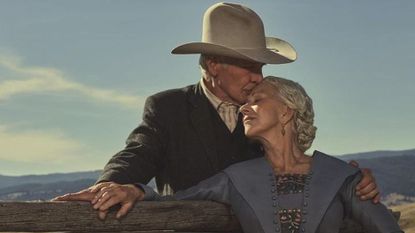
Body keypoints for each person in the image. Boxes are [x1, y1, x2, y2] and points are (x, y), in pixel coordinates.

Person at [53, 2, 380, 220]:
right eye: (249, 66)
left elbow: (299, 166)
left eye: (260, 67)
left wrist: (351, 179)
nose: (258, 77)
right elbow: (137, 154)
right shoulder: (168, 108)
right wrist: (112, 184)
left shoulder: (264, 114)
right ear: (213, 63)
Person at [136, 76, 403, 233]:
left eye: (257, 100)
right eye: (245, 103)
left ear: (286, 111)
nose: (244, 109)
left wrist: (358, 177)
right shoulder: (234, 179)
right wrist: (136, 191)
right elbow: (170, 201)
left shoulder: (341, 176)